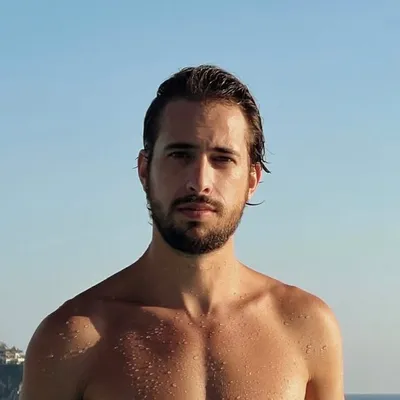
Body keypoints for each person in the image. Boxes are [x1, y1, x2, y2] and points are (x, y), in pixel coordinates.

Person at [21, 65, 344, 400]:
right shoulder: (74, 340)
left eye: (222, 159)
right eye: (180, 155)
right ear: (145, 170)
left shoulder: (305, 327)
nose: (199, 182)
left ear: (252, 180)